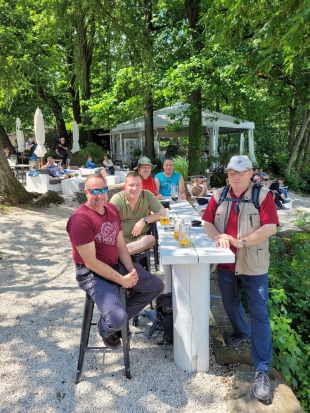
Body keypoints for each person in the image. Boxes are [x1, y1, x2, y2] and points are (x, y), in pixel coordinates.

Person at [203, 155, 279, 401]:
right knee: (229, 304)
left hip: (253, 265)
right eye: (231, 172)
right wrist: (217, 236)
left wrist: (242, 241)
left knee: (259, 313)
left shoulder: (263, 195)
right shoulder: (218, 195)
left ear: (250, 173)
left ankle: (262, 370)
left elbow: (271, 227)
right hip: (226, 265)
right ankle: (242, 332)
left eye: (240, 172)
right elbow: (206, 222)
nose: (235, 176)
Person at [66, 174, 164, 349]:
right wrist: (122, 281)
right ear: (85, 192)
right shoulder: (80, 219)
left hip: (116, 264)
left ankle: (114, 318)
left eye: (103, 190)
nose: (99, 195)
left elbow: (120, 246)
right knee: (117, 319)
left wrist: (129, 269)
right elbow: (91, 263)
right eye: (94, 191)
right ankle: (107, 328)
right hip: (91, 274)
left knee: (155, 286)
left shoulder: (111, 209)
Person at [110, 171, 163, 255]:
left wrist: (144, 220)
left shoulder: (147, 195)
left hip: (140, 239)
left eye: (138, 185)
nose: (135, 188)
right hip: (121, 239)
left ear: (142, 186)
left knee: (151, 239)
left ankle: (121, 253)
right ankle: (123, 252)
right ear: (125, 186)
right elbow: (109, 220)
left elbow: (163, 213)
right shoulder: (117, 199)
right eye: (131, 185)